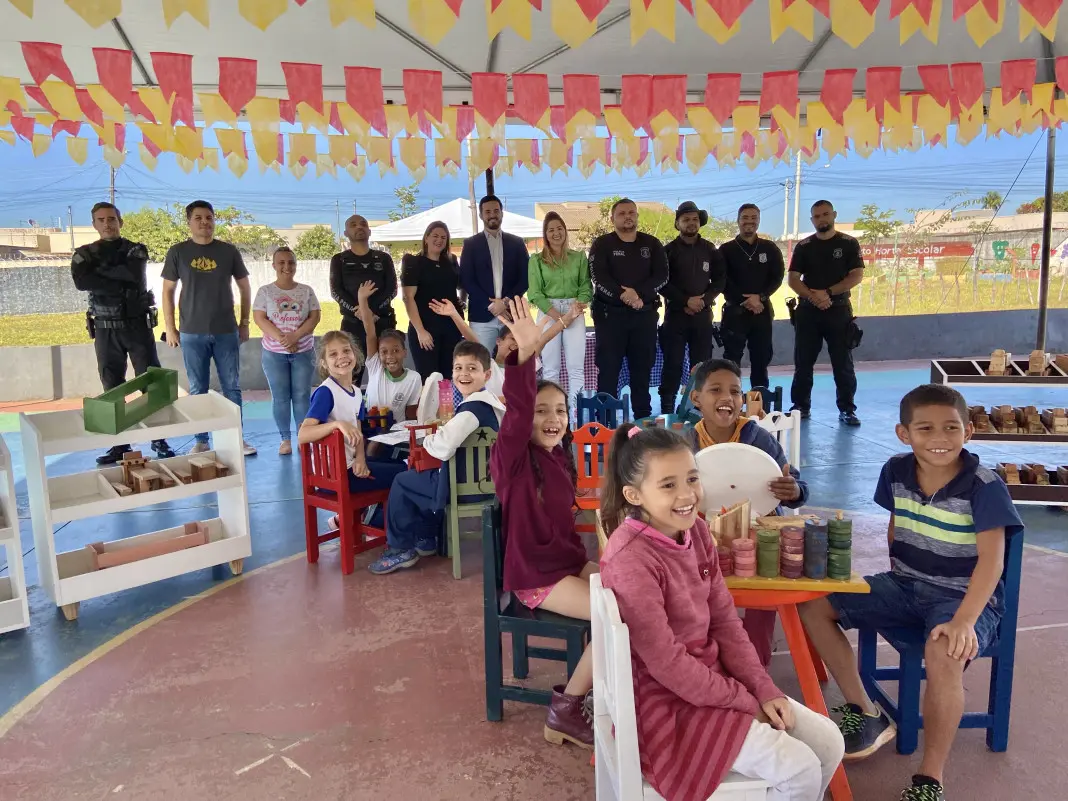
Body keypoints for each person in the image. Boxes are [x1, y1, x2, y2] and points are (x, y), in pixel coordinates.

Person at [799, 384, 1022, 801]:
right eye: (925, 428)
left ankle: (929, 779)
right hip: (904, 584)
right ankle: (866, 711)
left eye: (951, 428)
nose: (939, 438)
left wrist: (965, 621)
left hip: (963, 597)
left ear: (969, 431)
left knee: (943, 651)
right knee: (813, 604)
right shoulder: (895, 470)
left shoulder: (985, 485)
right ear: (905, 434)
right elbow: (896, 524)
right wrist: (895, 577)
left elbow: (993, 562)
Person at [599, 426, 844, 801]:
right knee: (800, 769)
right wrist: (747, 704)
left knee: (829, 743)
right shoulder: (631, 557)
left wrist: (763, 689)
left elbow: (726, 623)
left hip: (711, 681)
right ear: (634, 495)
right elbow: (667, 664)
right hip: (665, 704)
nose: (687, 495)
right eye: (667, 485)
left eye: (692, 479)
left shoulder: (696, 531)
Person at [490, 298, 597, 749]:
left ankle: (616, 689)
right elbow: (515, 414)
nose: (552, 419)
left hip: (565, 568)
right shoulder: (512, 458)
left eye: (559, 410)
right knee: (622, 616)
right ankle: (567, 710)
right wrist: (525, 357)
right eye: (541, 410)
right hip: (538, 579)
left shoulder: (558, 458)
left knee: (642, 588)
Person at [686, 358, 808, 666]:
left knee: (763, 591)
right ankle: (706, 657)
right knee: (696, 589)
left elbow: (795, 483)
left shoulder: (759, 437)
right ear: (696, 398)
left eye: (735, 392)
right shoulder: (686, 441)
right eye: (715, 390)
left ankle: (756, 663)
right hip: (706, 534)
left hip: (761, 532)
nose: (727, 398)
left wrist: (793, 490)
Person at [367, 340, 506, 575]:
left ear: (487, 374)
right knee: (419, 479)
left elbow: (442, 447)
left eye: (472, 368)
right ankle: (426, 539)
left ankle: (401, 549)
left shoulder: (470, 411)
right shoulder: (493, 406)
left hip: (459, 488)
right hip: (488, 486)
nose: (463, 374)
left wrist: (431, 438)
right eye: (458, 368)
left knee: (403, 481)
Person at [71, 202, 174, 465]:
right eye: (101, 220)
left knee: (151, 383)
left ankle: (159, 439)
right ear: (94, 224)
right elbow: (82, 282)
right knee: (111, 387)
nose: (107, 224)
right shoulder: (84, 252)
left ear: (121, 221)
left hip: (137, 326)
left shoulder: (135, 249)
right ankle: (120, 446)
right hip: (105, 329)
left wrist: (99, 271)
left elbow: (132, 274)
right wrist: (116, 275)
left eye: (112, 219)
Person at [161, 200, 256, 455]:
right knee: (197, 388)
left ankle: (236, 437)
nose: (205, 222)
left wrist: (244, 323)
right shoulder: (177, 252)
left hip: (226, 331)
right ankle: (201, 440)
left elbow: (244, 287)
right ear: (189, 222)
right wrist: (170, 328)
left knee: (232, 387)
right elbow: (168, 291)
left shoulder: (228, 251)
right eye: (199, 218)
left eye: (209, 218)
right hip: (191, 332)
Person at [297, 331, 406, 524]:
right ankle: (381, 525)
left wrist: (361, 459)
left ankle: (354, 518)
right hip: (334, 475)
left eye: (346, 351)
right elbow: (303, 434)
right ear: (323, 363)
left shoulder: (356, 392)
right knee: (405, 474)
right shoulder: (326, 393)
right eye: (333, 354)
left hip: (350, 467)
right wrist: (337, 424)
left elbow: (358, 432)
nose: (341, 357)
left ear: (355, 355)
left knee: (401, 465)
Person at [588, 198, 669, 420]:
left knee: (641, 371)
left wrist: (640, 295)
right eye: (622, 213)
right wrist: (624, 295)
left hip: (644, 316)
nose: (627, 216)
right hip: (609, 318)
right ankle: (604, 419)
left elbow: (662, 276)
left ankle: (643, 418)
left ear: (637, 216)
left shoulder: (652, 244)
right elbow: (598, 276)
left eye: (631, 212)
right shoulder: (602, 244)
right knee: (608, 370)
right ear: (613, 218)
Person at [788, 200, 864, 427]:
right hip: (808, 311)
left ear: (834, 215)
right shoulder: (804, 247)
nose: (822, 219)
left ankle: (847, 409)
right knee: (803, 362)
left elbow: (856, 275)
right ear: (812, 220)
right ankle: (800, 406)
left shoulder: (849, 243)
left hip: (839, 310)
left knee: (843, 363)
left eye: (826, 214)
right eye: (817, 216)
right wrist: (814, 297)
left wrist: (828, 293)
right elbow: (793, 279)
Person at [657, 201, 725, 415]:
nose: (691, 223)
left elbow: (720, 281)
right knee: (673, 364)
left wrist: (703, 301)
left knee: (702, 366)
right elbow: (662, 282)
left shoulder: (710, 250)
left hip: (702, 317)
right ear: (678, 223)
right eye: (686, 219)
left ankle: (696, 406)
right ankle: (668, 406)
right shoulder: (667, 251)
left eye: (695, 219)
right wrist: (685, 301)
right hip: (675, 316)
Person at [252, 247, 321, 456]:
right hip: (274, 354)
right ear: (274, 266)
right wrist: (282, 339)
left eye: (290, 262)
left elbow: (314, 316)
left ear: (296, 265)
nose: (286, 267)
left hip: (303, 351)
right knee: (280, 397)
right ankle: (285, 439)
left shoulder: (306, 290)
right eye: (281, 263)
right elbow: (259, 318)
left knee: (301, 396)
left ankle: (304, 437)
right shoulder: (265, 291)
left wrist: (295, 336)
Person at [527, 211, 592, 418]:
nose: (556, 233)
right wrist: (558, 316)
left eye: (559, 229)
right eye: (551, 230)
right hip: (548, 314)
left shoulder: (579, 257)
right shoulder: (536, 260)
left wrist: (573, 311)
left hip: (574, 311)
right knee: (551, 369)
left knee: (576, 369)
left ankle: (576, 417)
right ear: (545, 234)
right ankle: (552, 414)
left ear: (565, 231)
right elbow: (535, 293)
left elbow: (585, 287)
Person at [719, 204, 785, 391]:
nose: (749, 221)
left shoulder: (769, 248)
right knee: (732, 359)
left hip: (761, 311)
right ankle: (732, 397)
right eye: (745, 217)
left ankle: (760, 401)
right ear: (738, 221)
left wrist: (760, 297)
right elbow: (722, 280)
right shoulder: (726, 250)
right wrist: (745, 300)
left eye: (754, 217)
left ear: (759, 220)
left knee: (761, 358)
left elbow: (777, 277)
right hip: (735, 313)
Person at [459, 194, 530, 353]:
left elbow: (525, 279)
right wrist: (491, 305)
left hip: (512, 315)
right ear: (481, 215)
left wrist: (505, 302)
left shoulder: (517, 243)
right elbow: (467, 280)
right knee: (482, 363)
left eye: (496, 211)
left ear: (502, 213)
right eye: (488, 212)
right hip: (481, 317)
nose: (492, 215)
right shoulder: (470, 244)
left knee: (513, 362)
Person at [329, 214, 397, 380]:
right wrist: (360, 311)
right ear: (346, 233)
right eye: (353, 224)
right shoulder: (339, 260)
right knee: (351, 376)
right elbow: (336, 291)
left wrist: (370, 312)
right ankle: (352, 406)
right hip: (353, 325)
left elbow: (392, 289)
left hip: (381, 321)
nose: (359, 227)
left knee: (386, 375)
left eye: (363, 224)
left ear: (369, 231)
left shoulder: (384, 258)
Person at [401, 221, 464, 381]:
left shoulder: (451, 261)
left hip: (451, 328)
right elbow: (408, 298)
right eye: (435, 236)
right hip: (426, 329)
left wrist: (461, 301)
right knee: (430, 380)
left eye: (444, 237)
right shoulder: (413, 262)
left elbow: (459, 286)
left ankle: (450, 407)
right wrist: (421, 331)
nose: (439, 240)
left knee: (451, 377)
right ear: (426, 238)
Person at [355, 280, 422, 423]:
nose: (390, 356)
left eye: (396, 350)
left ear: (405, 352)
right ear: (378, 354)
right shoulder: (376, 367)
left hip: (396, 433)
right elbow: (370, 332)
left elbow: (411, 414)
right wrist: (362, 299)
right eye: (384, 352)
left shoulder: (414, 378)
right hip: (369, 429)